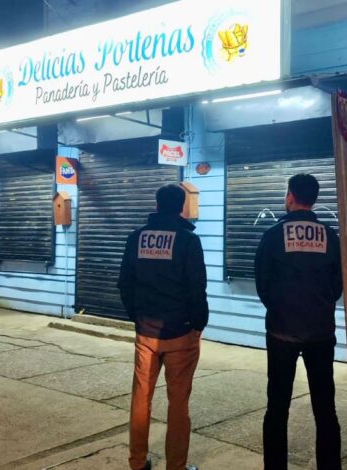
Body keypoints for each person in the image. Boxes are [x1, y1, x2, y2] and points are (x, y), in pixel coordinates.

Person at [254, 173, 343, 470]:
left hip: (282, 332)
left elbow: (262, 282)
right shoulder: (330, 236)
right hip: (321, 332)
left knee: (277, 407)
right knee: (325, 407)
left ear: (290, 196)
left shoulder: (273, 235)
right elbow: (338, 284)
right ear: (314, 199)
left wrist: (279, 308)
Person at [118, 183, 209, 470]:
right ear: (181, 207)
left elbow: (124, 283)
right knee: (178, 403)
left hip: (146, 331)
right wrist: (198, 324)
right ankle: (176, 466)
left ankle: (137, 462)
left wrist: (137, 317)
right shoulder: (188, 240)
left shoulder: (136, 238)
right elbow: (197, 287)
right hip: (181, 332)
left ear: (157, 205)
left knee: (141, 397)